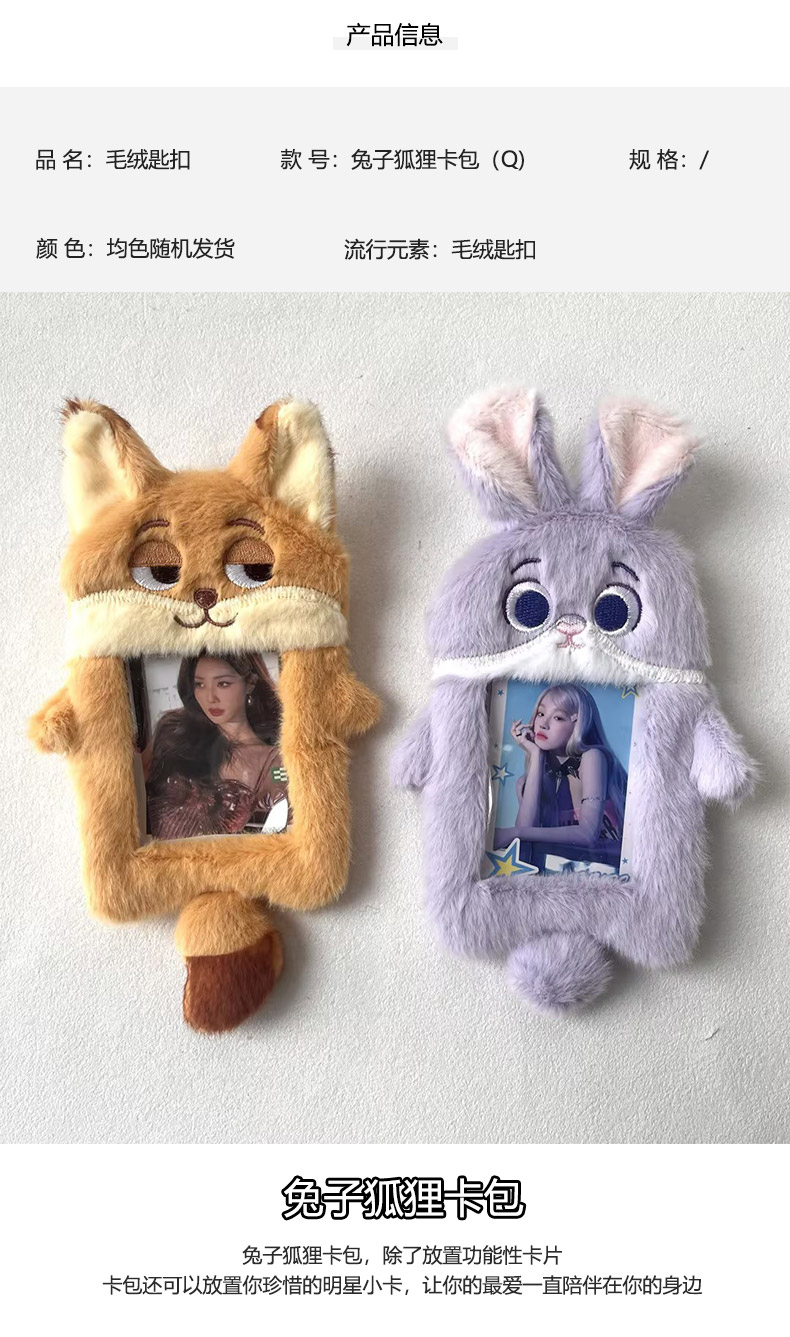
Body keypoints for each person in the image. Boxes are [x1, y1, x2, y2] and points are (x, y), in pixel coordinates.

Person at [145, 653, 290, 839]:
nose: (210, 697)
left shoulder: (272, 759)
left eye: (223, 684)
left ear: (251, 683)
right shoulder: (173, 731)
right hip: (154, 854)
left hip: (225, 857)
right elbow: (133, 784)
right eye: (199, 684)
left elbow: (284, 808)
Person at [493, 684, 627, 864]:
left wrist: (514, 832)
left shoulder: (592, 757)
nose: (543, 724)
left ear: (578, 724)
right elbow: (524, 843)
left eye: (558, 717)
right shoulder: (527, 782)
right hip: (565, 871)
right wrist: (536, 756)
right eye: (541, 714)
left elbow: (587, 834)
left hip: (609, 869)